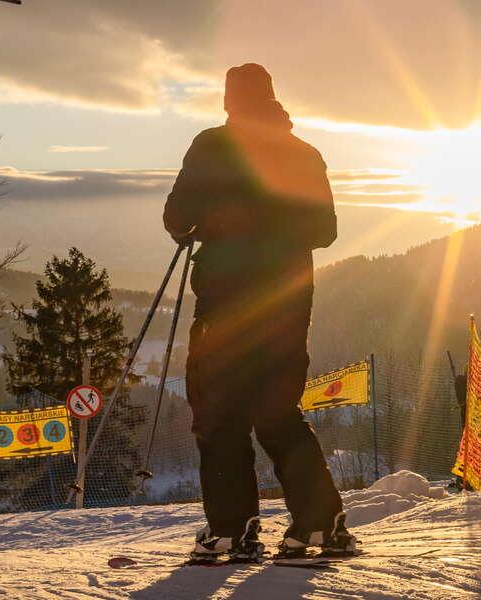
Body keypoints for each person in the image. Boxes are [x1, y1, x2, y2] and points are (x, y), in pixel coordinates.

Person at [163, 63, 355, 564]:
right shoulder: (305, 154)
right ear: (273, 98)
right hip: (287, 307)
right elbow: (324, 230)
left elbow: (177, 218)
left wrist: (218, 220)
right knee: (277, 414)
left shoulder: (211, 146)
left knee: (219, 416)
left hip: (226, 308)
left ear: (229, 101)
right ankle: (319, 524)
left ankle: (232, 532)